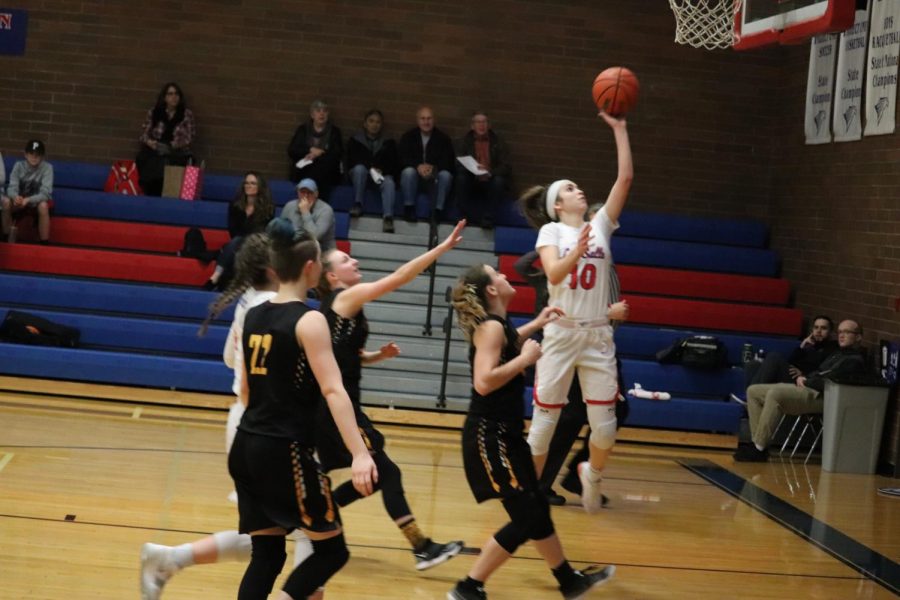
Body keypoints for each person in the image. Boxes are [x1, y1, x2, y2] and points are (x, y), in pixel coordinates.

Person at [141, 234, 316, 600]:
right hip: (266, 425)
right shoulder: (278, 306)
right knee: (308, 534)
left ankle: (171, 559)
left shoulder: (251, 304)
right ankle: (171, 559)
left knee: (273, 539)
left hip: (246, 420)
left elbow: (228, 360)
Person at [228, 218, 378, 599]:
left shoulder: (255, 314)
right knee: (331, 551)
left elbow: (246, 389)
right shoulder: (310, 319)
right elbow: (333, 389)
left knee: (267, 555)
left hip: (247, 444)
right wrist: (360, 453)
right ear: (311, 268)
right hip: (283, 449)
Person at [448, 264, 615, 600]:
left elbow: (507, 343)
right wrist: (525, 360)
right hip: (489, 437)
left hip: (505, 434)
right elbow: (483, 382)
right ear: (491, 290)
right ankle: (468, 588)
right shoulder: (491, 327)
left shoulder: (499, 326)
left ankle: (568, 580)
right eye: (497, 274)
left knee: (536, 505)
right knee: (527, 517)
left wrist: (537, 325)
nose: (505, 276)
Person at [314, 220, 468, 571]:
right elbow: (399, 277)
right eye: (345, 261)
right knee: (387, 473)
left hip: (341, 407)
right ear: (333, 277)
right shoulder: (345, 297)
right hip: (336, 410)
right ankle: (422, 547)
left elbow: (345, 356)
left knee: (373, 475)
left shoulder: (343, 306)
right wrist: (441, 249)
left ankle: (317, 515)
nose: (353, 262)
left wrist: (375, 357)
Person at [518, 113, 633, 514]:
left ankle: (592, 475)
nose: (578, 190)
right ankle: (528, 497)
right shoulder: (551, 233)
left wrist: (620, 130)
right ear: (557, 204)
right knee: (543, 428)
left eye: (577, 185)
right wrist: (579, 251)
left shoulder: (600, 224)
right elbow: (553, 273)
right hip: (562, 335)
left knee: (606, 427)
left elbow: (625, 181)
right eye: (570, 188)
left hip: (598, 335)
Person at [734, 319, 868, 462]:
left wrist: (806, 380)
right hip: (808, 387)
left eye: (847, 332)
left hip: (825, 396)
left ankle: (758, 448)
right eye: (840, 332)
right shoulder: (837, 354)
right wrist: (805, 376)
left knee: (775, 394)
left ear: (858, 337)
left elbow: (830, 380)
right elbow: (819, 371)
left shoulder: (854, 360)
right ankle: (759, 444)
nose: (842, 335)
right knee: (754, 391)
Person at [731, 315, 838, 403]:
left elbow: (824, 370)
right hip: (791, 374)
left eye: (823, 328)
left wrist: (804, 374)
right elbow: (791, 361)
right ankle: (750, 399)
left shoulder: (832, 348)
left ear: (830, 332)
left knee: (774, 357)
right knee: (753, 364)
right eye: (816, 327)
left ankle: (751, 397)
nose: (818, 331)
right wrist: (802, 346)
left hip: (803, 381)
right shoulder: (809, 345)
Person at [203, 172, 276, 291]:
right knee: (237, 241)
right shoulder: (235, 205)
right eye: (246, 183)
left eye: (253, 183)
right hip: (237, 242)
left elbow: (261, 231)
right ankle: (219, 278)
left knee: (237, 242)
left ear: (260, 187)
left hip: (256, 244)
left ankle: (216, 276)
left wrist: (246, 239)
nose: (248, 186)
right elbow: (232, 229)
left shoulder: (268, 208)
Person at [135, 82, 195, 196]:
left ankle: (161, 192)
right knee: (145, 157)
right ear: (164, 97)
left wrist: (173, 145)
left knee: (165, 159)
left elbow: (190, 137)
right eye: (170, 94)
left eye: (176, 94)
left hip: (176, 148)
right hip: (156, 145)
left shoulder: (186, 114)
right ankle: (150, 191)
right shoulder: (154, 112)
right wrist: (149, 142)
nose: (174, 97)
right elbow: (143, 135)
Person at [345, 109, 400, 233]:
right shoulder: (355, 140)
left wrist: (382, 169)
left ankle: (388, 218)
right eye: (371, 121)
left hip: (380, 176)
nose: (374, 125)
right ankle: (358, 204)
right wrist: (369, 168)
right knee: (359, 169)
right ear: (365, 123)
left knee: (389, 182)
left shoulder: (389, 142)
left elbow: (394, 164)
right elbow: (351, 161)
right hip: (361, 175)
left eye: (378, 122)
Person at [398, 106, 455, 223]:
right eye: (423, 118)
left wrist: (433, 168)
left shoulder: (443, 139)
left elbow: (449, 162)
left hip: (434, 179)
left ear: (434, 120)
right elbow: (402, 158)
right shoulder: (408, 137)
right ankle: (409, 208)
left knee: (446, 175)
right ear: (417, 120)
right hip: (415, 178)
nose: (426, 122)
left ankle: (437, 212)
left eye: (429, 118)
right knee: (408, 172)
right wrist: (418, 166)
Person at [454, 111, 511, 229]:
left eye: (484, 122)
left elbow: (506, 166)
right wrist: (474, 169)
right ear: (472, 126)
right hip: (472, 179)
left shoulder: (498, 142)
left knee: (499, 181)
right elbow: (458, 163)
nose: (481, 125)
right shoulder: (464, 141)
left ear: (488, 125)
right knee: (461, 178)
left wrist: (490, 172)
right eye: (478, 122)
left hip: (490, 179)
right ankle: (462, 217)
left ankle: (487, 219)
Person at [287, 99, 343, 202]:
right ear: (312, 115)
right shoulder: (303, 130)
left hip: (326, 171)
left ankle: (314, 203)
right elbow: (292, 150)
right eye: (318, 111)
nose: (322, 113)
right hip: (304, 168)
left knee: (320, 171)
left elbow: (337, 154)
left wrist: (319, 154)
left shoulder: (334, 132)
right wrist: (310, 150)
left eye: (325, 111)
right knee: (310, 170)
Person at [2, 140, 54, 244]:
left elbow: (46, 193)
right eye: (31, 154)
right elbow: (12, 188)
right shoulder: (18, 166)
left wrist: (29, 200)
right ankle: (6, 237)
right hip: (20, 201)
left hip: (36, 202)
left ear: (42, 157)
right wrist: (16, 197)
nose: (34, 157)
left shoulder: (47, 168)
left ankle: (44, 242)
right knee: (5, 202)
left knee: (43, 205)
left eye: (37, 155)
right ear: (25, 154)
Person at [281, 178, 335, 252]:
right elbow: (280, 230)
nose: (305, 196)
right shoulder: (289, 206)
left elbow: (314, 237)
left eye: (309, 192)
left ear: (316, 194)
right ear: (298, 192)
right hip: (295, 250)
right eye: (302, 192)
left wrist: (305, 212)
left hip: (322, 252)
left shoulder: (326, 210)